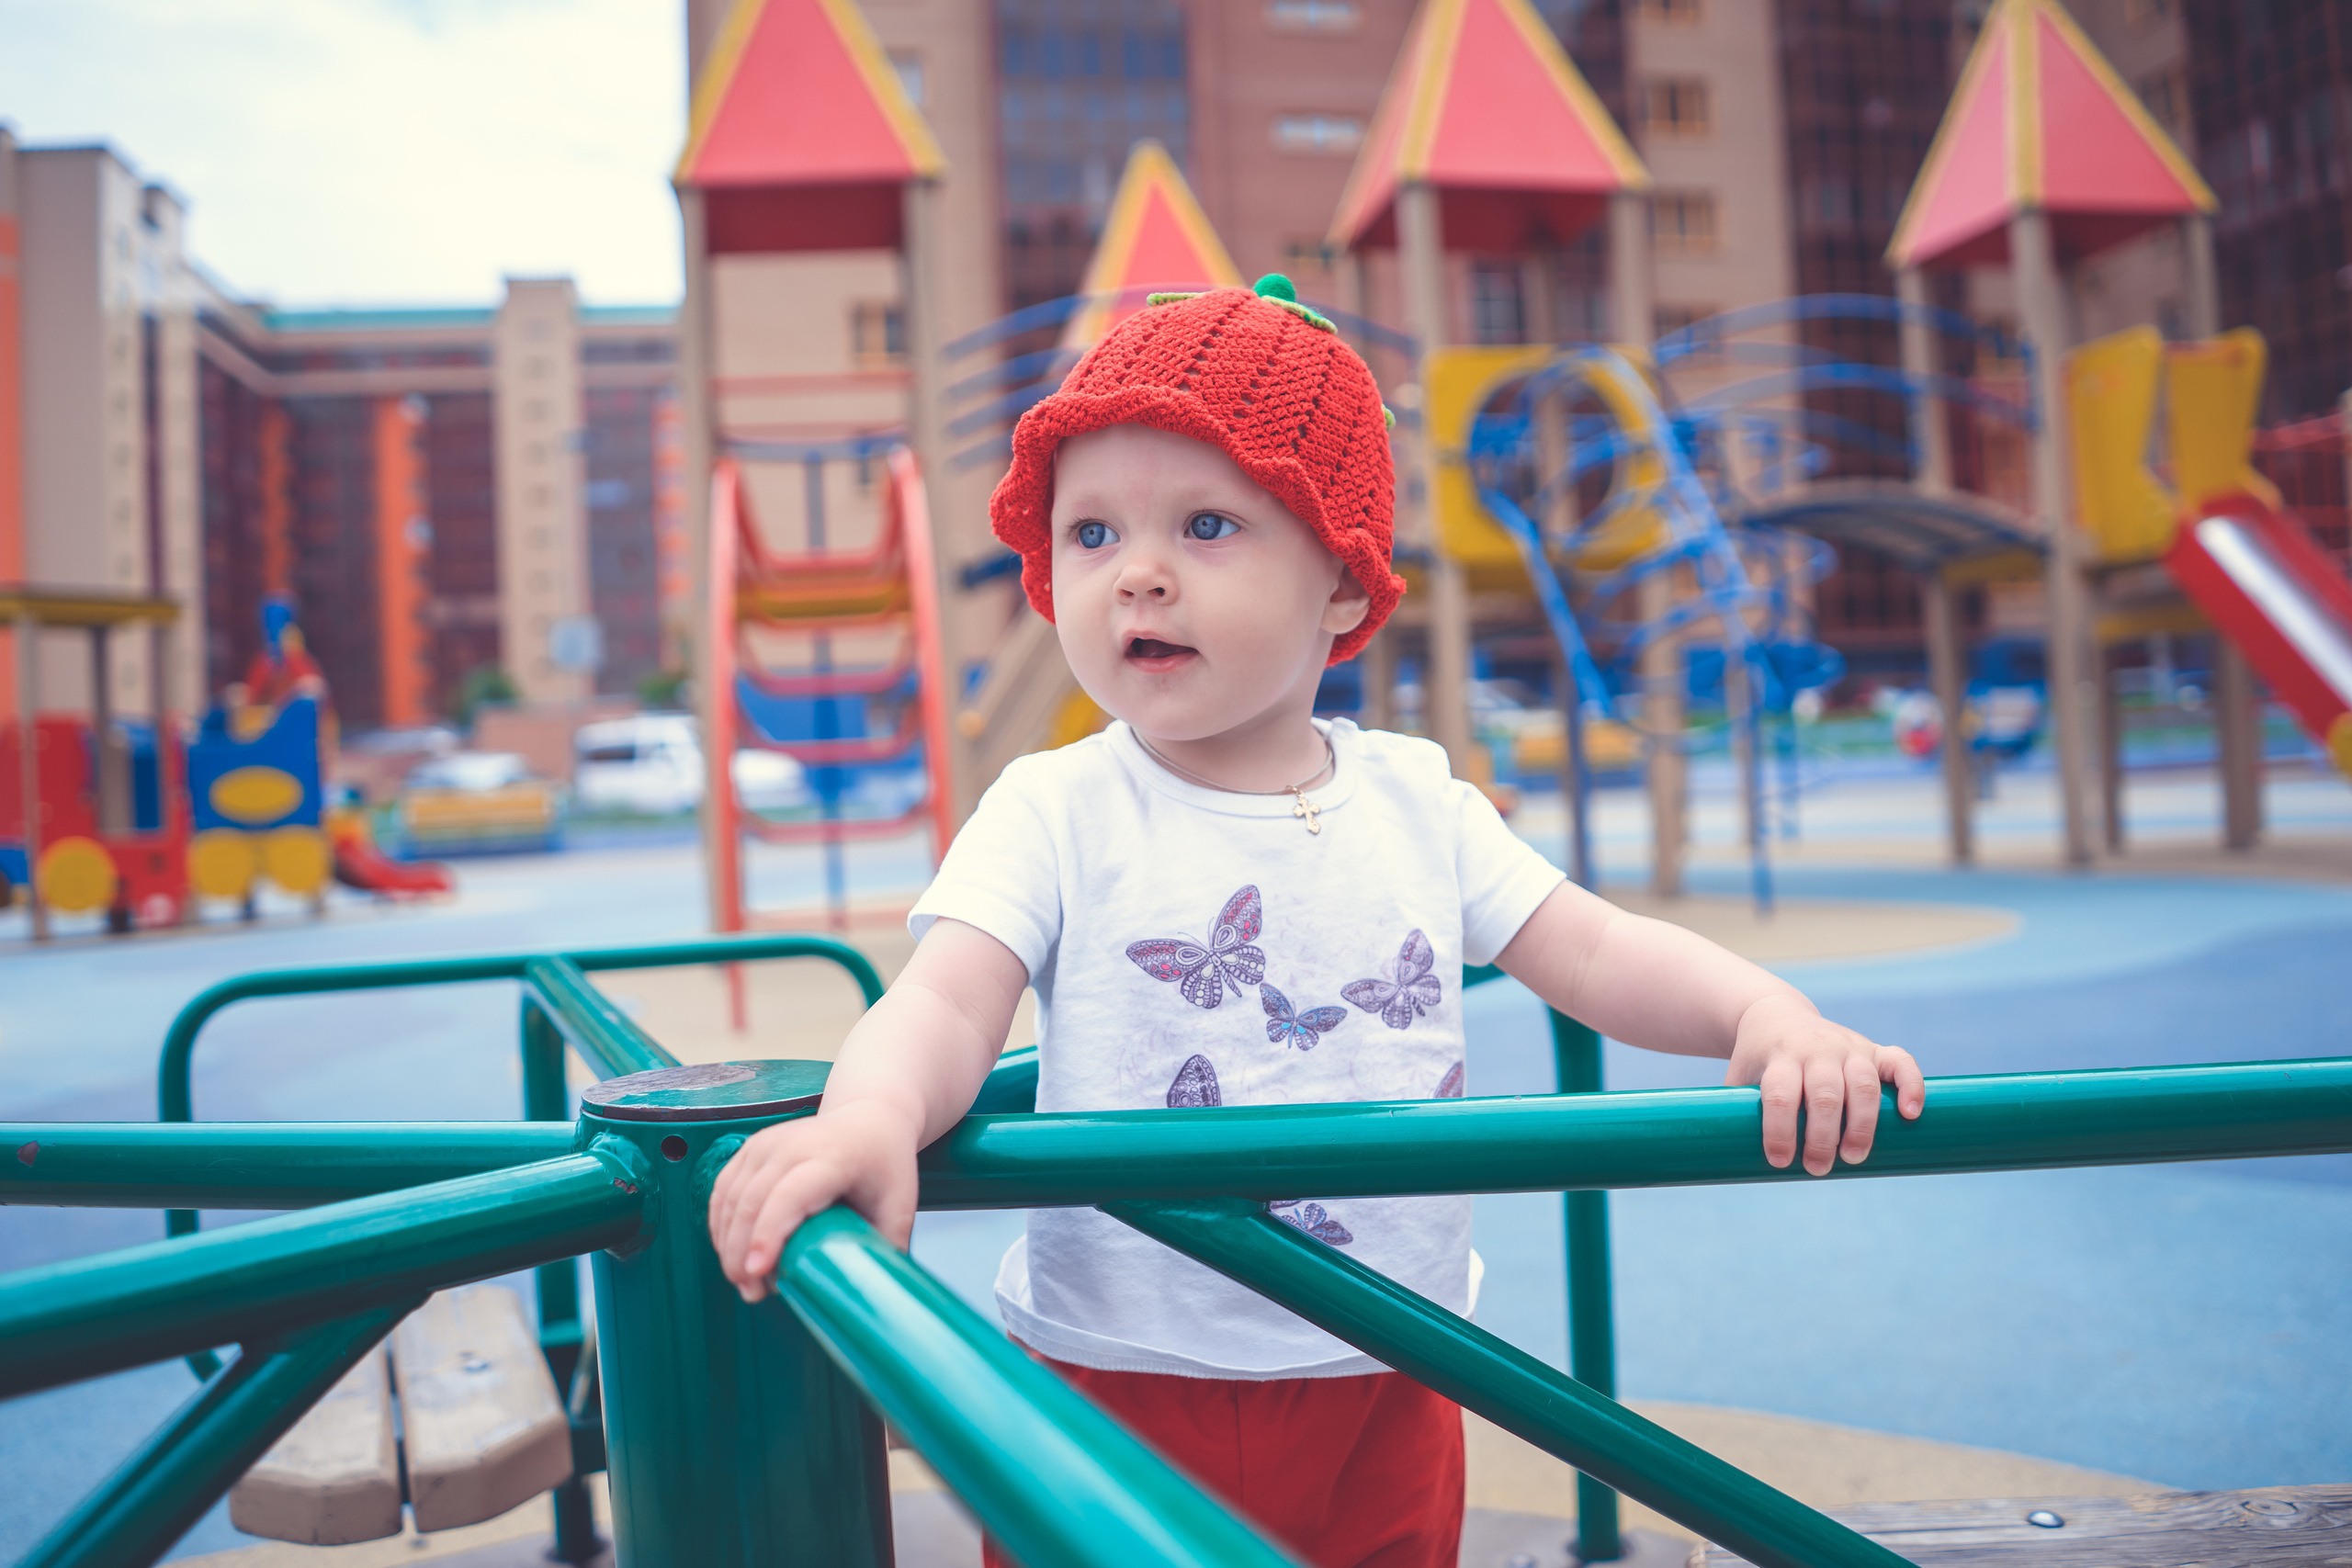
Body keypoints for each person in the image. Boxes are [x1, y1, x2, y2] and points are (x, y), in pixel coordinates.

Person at [708, 276, 1924, 1568]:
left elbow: (1595, 950)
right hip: (1121, 1370)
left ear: (1344, 586)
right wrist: (870, 1117)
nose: (1141, 578)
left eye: (1209, 525)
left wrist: (1764, 1014)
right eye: (1093, 534)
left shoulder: (1416, 799)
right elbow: (948, 1000)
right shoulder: (1057, 806)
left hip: (1391, 1358)